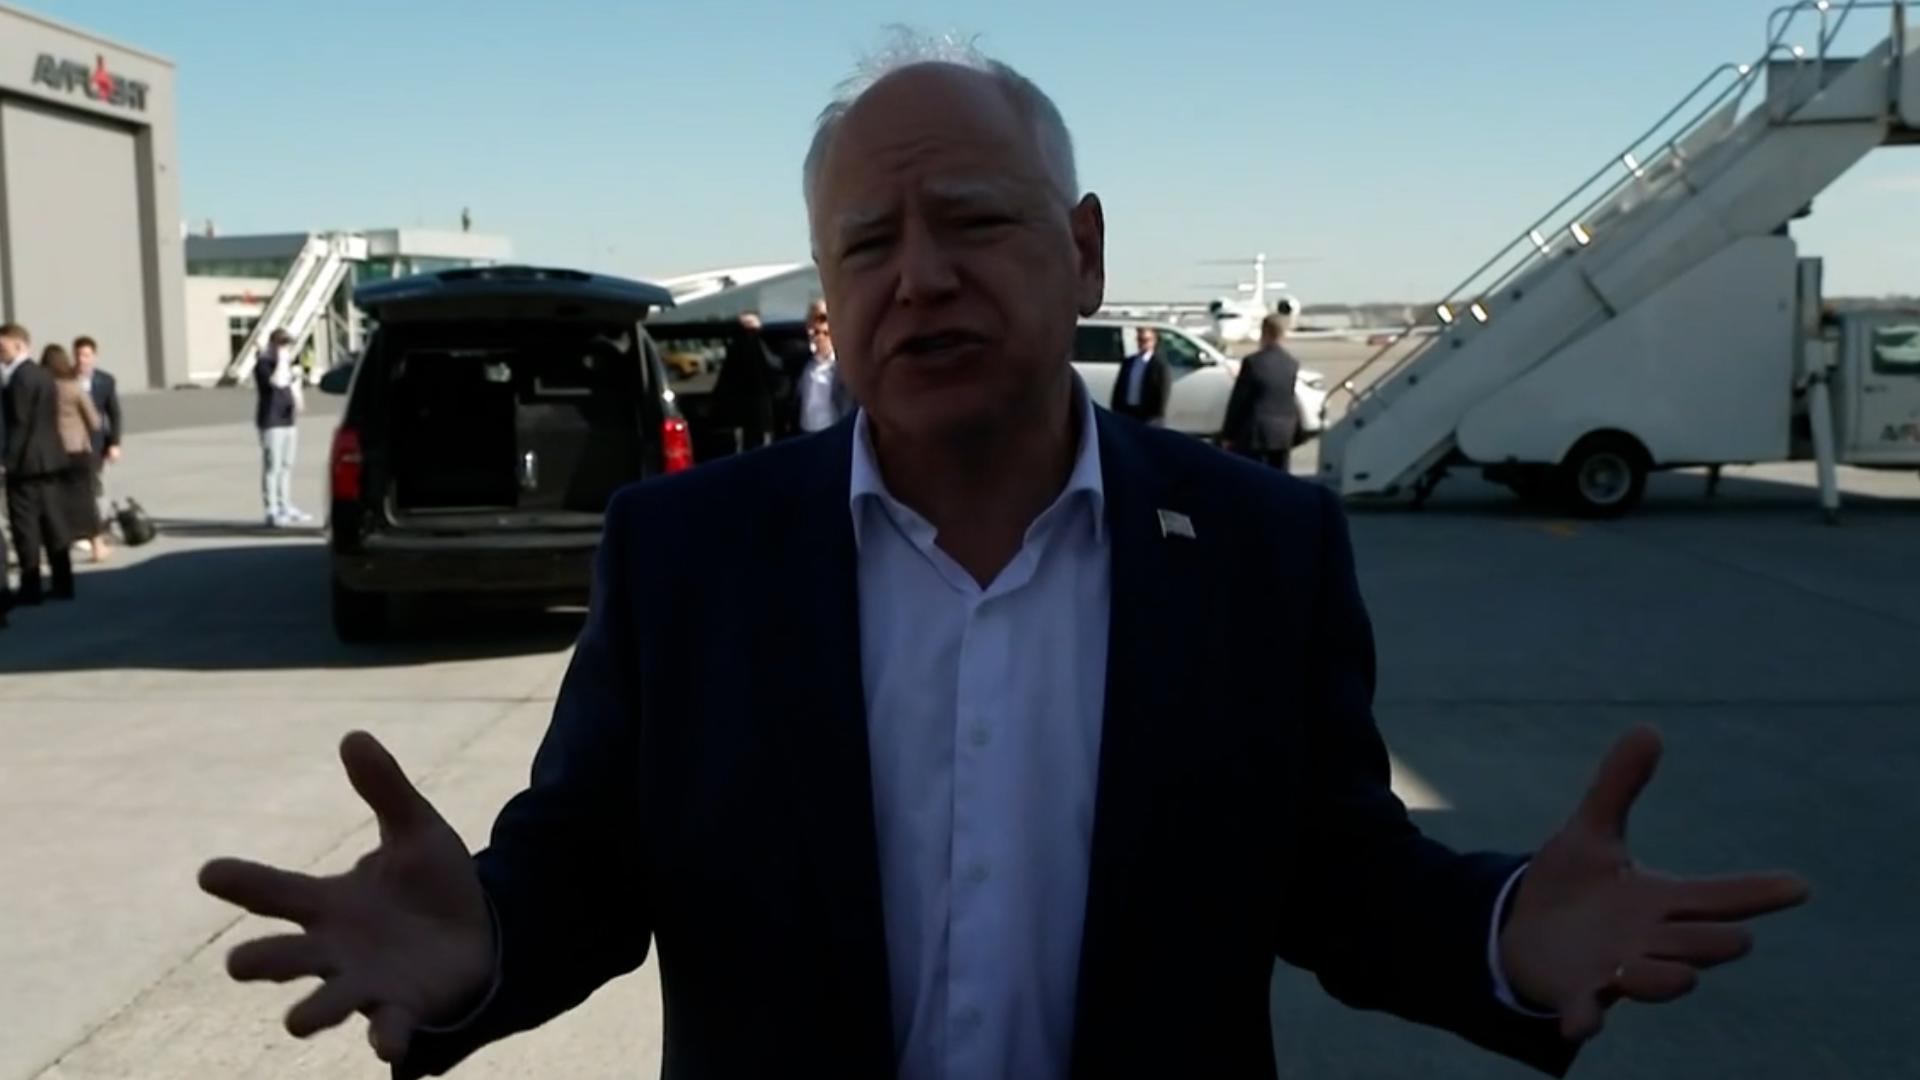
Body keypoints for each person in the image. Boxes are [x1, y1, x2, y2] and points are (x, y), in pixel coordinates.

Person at [199, 35, 1810, 1080]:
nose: (924, 279)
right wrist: (482, 938)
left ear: (1083, 248)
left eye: (973, 221)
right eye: (870, 246)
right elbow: (588, 870)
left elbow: (1333, 872)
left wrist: (1500, 934)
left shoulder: (1258, 547)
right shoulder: (689, 555)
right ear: (830, 293)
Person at [2, 324, 80, 605]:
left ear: (19, 345)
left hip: (26, 464)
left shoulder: (19, 379)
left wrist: (6, 462)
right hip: (50, 459)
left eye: (4, 347)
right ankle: (63, 582)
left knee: (26, 527)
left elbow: (19, 424)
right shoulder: (44, 375)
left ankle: (31, 587)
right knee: (54, 523)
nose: (1, 353)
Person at [41, 344, 103, 588]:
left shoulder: (43, 389)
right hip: (77, 449)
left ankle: (52, 551)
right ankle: (97, 545)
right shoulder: (72, 387)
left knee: (54, 503)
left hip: (51, 451)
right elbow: (94, 421)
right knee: (84, 499)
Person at [1221, 313, 1303, 470]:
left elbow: (1239, 401)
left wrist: (1228, 434)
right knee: (1280, 480)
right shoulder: (1291, 363)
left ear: (1264, 332)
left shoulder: (1253, 362)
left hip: (1256, 434)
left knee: (1253, 480)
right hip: (1284, 432)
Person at [253, 328, 310, 527]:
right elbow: (275, 382)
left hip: (288, 421)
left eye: (287, 344)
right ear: (273, 345)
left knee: (287, 465)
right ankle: (272, 509)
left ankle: (285, 505)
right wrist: (282, 360)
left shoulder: (288, 365)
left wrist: (298, 400)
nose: (286, 348)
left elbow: (293, 386)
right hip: (271, 421)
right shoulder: (263, 365)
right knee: (273, 466)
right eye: (282, 344)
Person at [74, 336, 121, 562]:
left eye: (85, 355)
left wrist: (115, 443)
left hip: (97, 444)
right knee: (77, 488)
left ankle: (96, 530)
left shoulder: (105, 380)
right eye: (78, 355)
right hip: (72, 445)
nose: (81, 359)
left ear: (94, 356)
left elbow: (114, 414)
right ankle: (84, 532)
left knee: (96, 488)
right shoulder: (66, 379)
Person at [707, 312, 782, 453]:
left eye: (752, 331)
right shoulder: (756, 350)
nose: (748, 336)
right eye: (743, 330)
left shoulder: (762, 349)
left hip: (758, 415)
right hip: (745, 416)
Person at [796, 303, 853, 433]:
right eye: (815, 333)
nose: (819, 338)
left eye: (825, 333)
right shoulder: (802, 361)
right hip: (804, 431)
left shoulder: (843, 365)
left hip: (832, 430)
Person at [1109, 325, 1170, 424]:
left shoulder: (1159, 365)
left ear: (1154, 341)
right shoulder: (1129, 362)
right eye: (1140, 340)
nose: (1142, 343)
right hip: (1126, 412)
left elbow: (1163, 391)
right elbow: (1118, 388)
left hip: (1147, 416)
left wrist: (1157, 416)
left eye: (1146, 340)